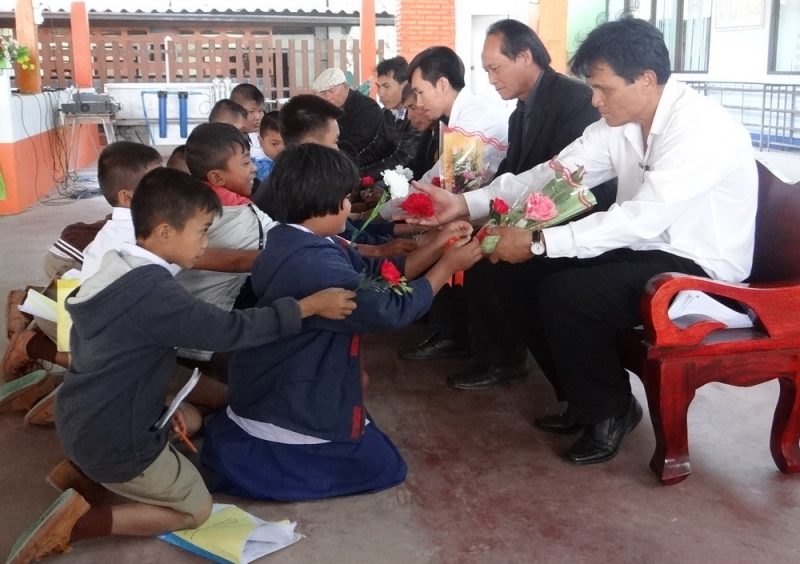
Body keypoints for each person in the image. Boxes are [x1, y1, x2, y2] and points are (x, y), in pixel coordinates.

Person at [409, 18, 758, 465]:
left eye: (603, 89)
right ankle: (583, 399)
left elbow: (640, 219)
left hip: (699, 270)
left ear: (646, 80)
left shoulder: (701, 128)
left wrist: (538, 242)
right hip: (644, 251)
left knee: (570, 293)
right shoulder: (621, 122)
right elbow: (554, 174)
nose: (594, 100)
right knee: (510, 272)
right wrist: (465, 204)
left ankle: (611, 410)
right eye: (592, 87)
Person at [6, 168, 357, 564]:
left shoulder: (117, 264)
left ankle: (82, 476)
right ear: (165, 233)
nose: (205, 244)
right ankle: (78, 525)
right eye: (202, 231)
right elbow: (228, 330)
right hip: (113, 439)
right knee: (195, 509)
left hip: (82, 415)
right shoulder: (152, 294)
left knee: (189, 418)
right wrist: (307, 306)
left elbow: (125, 362)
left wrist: (159, 403)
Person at [200, 143, 482, 501]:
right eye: (345, 199)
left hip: (282, 372)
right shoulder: (312, 263)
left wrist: (439, 244)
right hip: (293, 385)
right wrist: (447, 268)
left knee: (365, 431)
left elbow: (378, 275)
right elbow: (387, 308)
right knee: (384, 466)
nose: (350, 206)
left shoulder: (298, 239)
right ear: (321, 201)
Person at [404, 19, 617, 391]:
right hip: (535, 215)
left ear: (525, 56)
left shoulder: (575, 101)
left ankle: (507, 359)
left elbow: (567, 184)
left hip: (575, 220)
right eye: (486, 70)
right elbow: (518, 174)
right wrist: (470, 208)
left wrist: (501, 223)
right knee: (472, 242)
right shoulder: (522, 110)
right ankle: (484, 350)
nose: (490, 79)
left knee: (492, 261)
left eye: (494, 68)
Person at [408, 46, 509, 184]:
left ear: (442, 84)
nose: (419, 103)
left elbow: (450, 185)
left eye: (420, 92)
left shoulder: (475, 120)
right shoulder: (461, 114)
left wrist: (389, 205)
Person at [312, 67, 397, 175]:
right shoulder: (326, 112)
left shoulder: (367, 108)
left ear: (346, 87)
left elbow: (356, 145)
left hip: (370, 170)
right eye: (323, 94)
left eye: (331, 91)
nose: (328, 97)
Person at [255, 110, 285, 182]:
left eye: (287, 143)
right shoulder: (257, 167)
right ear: (260, 142)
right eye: (274, 144)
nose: (282, 148)